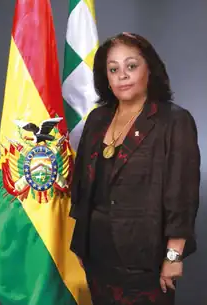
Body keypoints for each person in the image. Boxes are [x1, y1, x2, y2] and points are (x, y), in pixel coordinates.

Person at [69, 32, 200, 305]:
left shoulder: (174, 121)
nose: (122, 75)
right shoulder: (97, 118)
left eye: (131, 66)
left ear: (149, 68)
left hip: (145, 260)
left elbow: (182, 196)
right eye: (113, 69)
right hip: (96, 254)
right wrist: (82, 241)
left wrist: (173, 256)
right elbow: (82, 184)